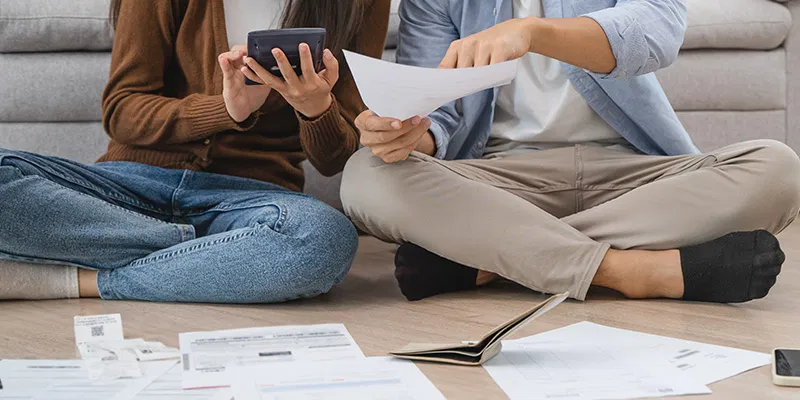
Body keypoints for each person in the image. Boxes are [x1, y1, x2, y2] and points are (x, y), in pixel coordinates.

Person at [341, 0, 800, 303]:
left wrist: (532, 32)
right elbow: (437, 115)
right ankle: (626, 270)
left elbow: (655, 33)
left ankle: (495, 259)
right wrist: (402, 135)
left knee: (777, 169)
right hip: (500, 184)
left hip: (634, 176)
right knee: (367, 174)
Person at [0, 0, 390, 303]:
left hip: (249, 199)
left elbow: (337, 159)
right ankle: (212, 256)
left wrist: (316, 110)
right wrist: (227, 110)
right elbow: (122, 112)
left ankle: (84, 279)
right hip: (129, 186)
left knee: (324, 239)